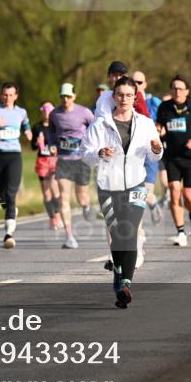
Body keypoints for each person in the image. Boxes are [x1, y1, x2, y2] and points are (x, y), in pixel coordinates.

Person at [82, 76, 164, 308]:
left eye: (129, 95)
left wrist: (157, 149)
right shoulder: (101, 124)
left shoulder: (145, 124)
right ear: (113, 97)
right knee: (117, 234)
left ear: (135, 97)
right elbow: (85, 154)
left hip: (136, 184)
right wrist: (99, 153)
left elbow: (154, 154)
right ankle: (118, 274)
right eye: (120, 95)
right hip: (108, 185)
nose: (124, 99)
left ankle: (125, 283)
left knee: (129, 231)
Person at [156, 75, 191, 247]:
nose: (177, 91)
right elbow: (161, 127)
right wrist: (159, 131)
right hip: (172, 156)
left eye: (180, 88)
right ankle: (180, 232)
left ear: (186, 91)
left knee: (188, 195)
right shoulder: (164, 107)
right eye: (174, 88)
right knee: (173, 190)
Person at [0, 83, 32, 249]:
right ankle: (10, 207)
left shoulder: (21, 112)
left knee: (11, 192)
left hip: (14, 155)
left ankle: (8, 234)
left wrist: (28, 131)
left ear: (16, 96)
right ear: (1, 95)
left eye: (11, 95)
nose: (7, 98)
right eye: (5, 95)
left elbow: (25, 122)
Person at [50, 83, 96, 249]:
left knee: (82, 196)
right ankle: (69, 236)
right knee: (63, 196)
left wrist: (91, 146)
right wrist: (52, 144)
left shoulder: (84, 112)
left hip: (81, 159)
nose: (65, 100)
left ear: (74, 96)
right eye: (62, 96)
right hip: (63, 159)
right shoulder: (54, 114)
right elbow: (51, 132)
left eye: (68, 96)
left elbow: (95, 128)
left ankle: (87, 206)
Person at [132, 70, 165, 224]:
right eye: (133, 82)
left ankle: (150, 202)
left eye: (139, 82)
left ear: (145, 84)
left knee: (144, 191)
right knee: (136, 193)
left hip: (150, 151)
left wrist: (161, 128)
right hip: (133, 152)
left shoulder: (154, 102)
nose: (136, 85)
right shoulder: (125, 101)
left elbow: (166, 118)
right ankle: (152, 203)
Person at [32, 102, 61, 231]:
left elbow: (63, 142)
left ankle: (59, 215)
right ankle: (52, 218)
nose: (46, 112)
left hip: (54, 160)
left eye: (49, 110)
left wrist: (57, 149)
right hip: (42, 161)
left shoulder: (56, 126)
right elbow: (33, 146)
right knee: (46, 192)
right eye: (44, 110)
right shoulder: (37, 127)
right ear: (41, 111)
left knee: (55, 188)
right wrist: (38, 143)